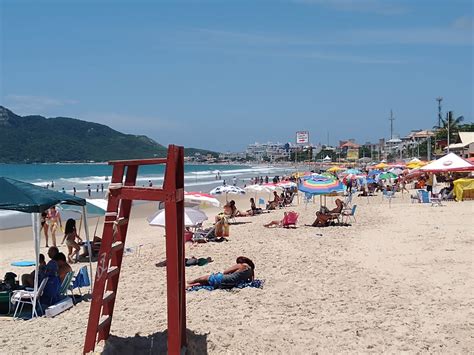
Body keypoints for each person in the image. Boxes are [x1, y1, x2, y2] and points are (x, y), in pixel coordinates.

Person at [187, 256, 255, 288]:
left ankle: (191, 282)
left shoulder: (240, 265)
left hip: (226, 280)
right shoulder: (251, 270)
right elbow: (250, 280)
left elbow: (225, 272)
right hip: (232, 284)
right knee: (208, 283)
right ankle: (191, 286)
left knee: (206, 278)